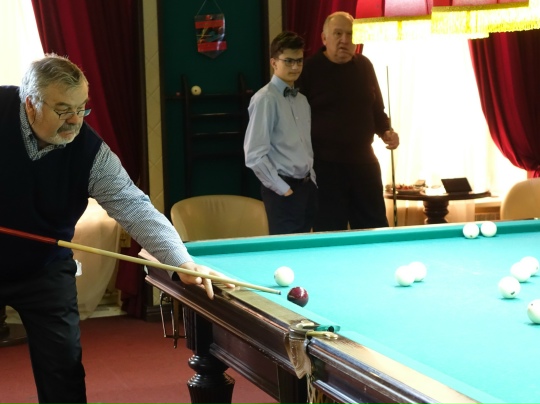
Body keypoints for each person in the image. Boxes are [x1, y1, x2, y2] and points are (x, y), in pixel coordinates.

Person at [0, 53, 232, 404]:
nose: (75, 120)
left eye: (82, 108)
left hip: (44, 266)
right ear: (31, 104)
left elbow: (133, 206)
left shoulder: (90, 152)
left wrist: (181, 261)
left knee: (63, 367)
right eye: (63, 110)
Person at [296, 11, 400, 231]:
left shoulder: (365, 66)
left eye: (350, 34)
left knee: (375, 230)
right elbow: (296, 120)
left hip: (364, 164)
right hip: (325, 167)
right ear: (324, 38)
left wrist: (386, 132)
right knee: (330, 232)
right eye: (338, 33)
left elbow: (377, 110)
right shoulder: (309, 69)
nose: (345, 39)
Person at [244, 31, 317, 235]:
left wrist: (312, 180)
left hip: (306, 188)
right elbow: (254, 154)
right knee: (286, 251)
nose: (295, 67)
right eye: (289, 61)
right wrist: (283, 189)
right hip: (283, 191)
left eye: (299, 61)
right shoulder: (265, 99)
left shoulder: (302, 100)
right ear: (274, 63)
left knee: (305, 247)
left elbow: (304, 146)